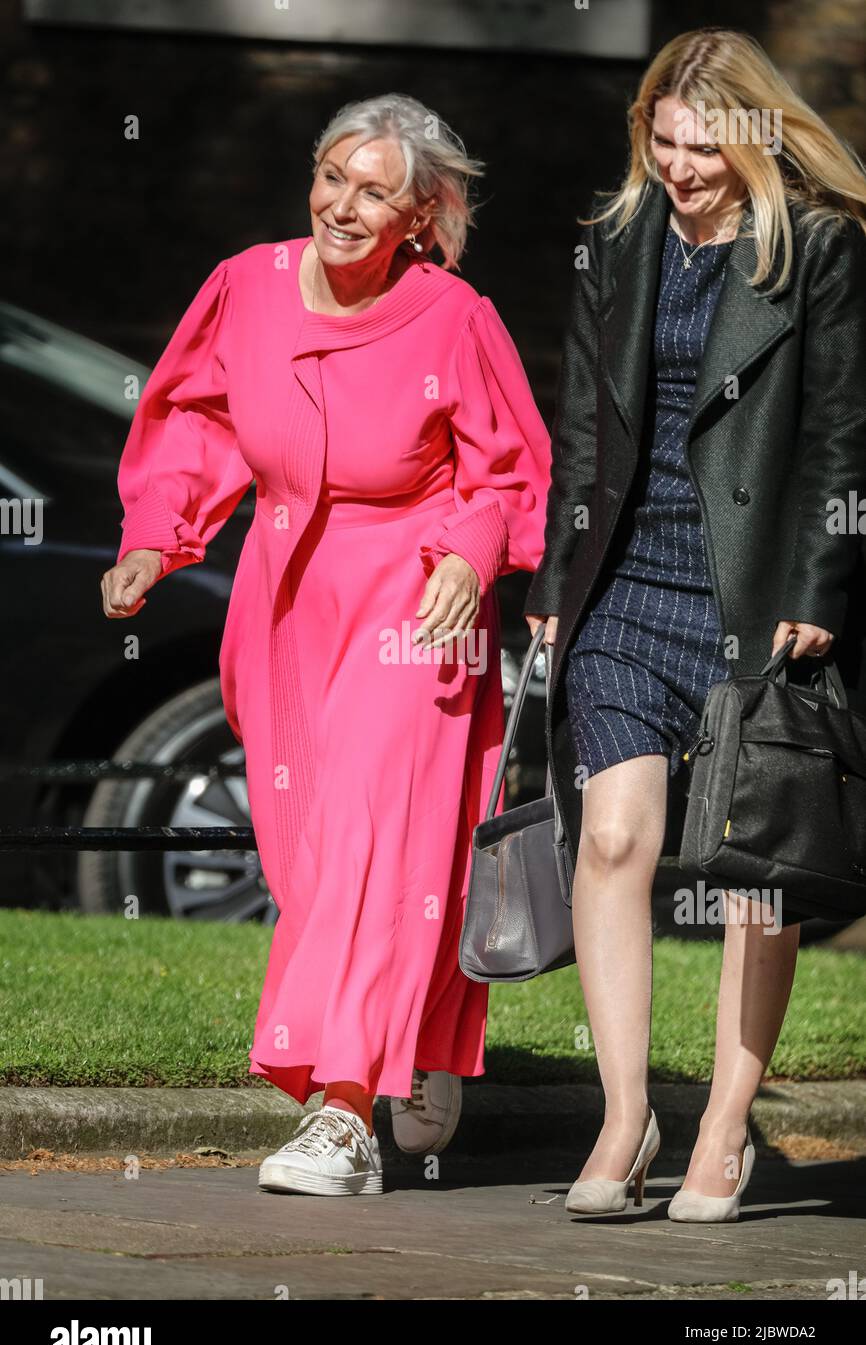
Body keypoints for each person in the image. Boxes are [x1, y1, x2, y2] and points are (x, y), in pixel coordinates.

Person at [102, 93, 551, 1196]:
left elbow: (509, 469)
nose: (343, 206)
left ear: (422, 214)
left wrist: (467, 551)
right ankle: (420, 1043)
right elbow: (196, 419)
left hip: (414, 604)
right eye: (331, 178)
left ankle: (342, 1113)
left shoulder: (452, 316)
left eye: (375, 192)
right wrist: (158, 540)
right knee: (313, 865)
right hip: (285, 602)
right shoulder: (245, 286)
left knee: (367, 845)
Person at [525, 27, 866, 1221]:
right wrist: (552, 585)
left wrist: (817, 591)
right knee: (614, 839)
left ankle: (724, 1126)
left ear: (755, 138)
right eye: (661, 143)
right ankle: (626, 1115)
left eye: (704, 148)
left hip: (750, 593)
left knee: (746, 881)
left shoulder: (814, 251)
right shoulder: (614, 244)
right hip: (623, 580)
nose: (680, 168)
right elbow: (582, 426)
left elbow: (840, 430)